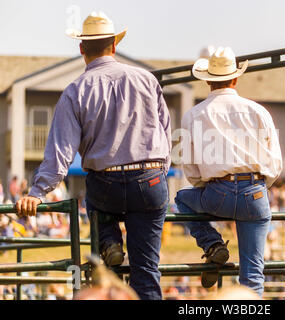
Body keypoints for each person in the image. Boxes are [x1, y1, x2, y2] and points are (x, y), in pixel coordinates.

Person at [15, 12, 171, 300]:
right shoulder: (147, 79)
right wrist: (159, 172)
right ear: (114, 46)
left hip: (106, 184)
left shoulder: (75, 91)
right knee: (147, 273)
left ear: (81, 49)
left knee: (96, 202)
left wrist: (38, 191)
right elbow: (165, 131)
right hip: (150, 180)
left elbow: (60, 152)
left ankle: (109, 242)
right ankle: (112, 244)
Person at [174, 47, 282, 296]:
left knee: (182, 198)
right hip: (255, 193)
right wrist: (257, 188)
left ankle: (212, 244)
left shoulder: (194, 115)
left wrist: (212, 185)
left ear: (208, 80)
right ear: (235, 78)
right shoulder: (257, 111)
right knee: (253, 272)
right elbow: (275, 164)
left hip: (217, 193)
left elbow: (191, 171)